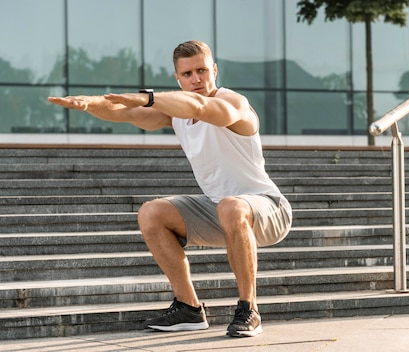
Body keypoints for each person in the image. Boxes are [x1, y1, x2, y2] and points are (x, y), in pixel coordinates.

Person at [48, 40, 292, 338]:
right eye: (187, 74)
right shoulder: (175, 112)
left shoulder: (233, 103)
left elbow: (201, 106)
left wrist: (146, 97)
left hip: (268, 208)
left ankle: (249, 309)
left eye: (202, 70)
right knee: (152, 212)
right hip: (219, 209)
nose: (196, 79)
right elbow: (125, 113)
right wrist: (89, 102)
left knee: (232, 205)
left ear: (214, 70)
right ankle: (189, 307)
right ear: (178, 78)